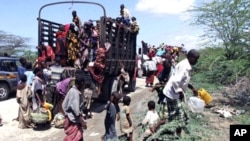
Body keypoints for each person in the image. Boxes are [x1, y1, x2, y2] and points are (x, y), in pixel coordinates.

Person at [150, 49, 200, 138]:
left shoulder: (186, 65)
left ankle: (175, 135)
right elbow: (175, 81)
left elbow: (182, 81)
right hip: (173, 94)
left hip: (173, 93)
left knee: (176, 116)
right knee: (180, 117)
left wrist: (192, 88)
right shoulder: (184, 66)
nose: (196, 61)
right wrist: (180, 93)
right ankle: (160, 130)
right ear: (190, 57)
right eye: (195, 59)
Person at [62, 77, 86, 141]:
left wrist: (66, 114)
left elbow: (64, 104)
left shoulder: (71, 90)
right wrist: (82, 122)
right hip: (74, 120)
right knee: (76, 137)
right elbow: (76, 110)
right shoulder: (75, 93)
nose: (83, 86)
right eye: (83, 85)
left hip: (70, 118)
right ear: (80, 84)